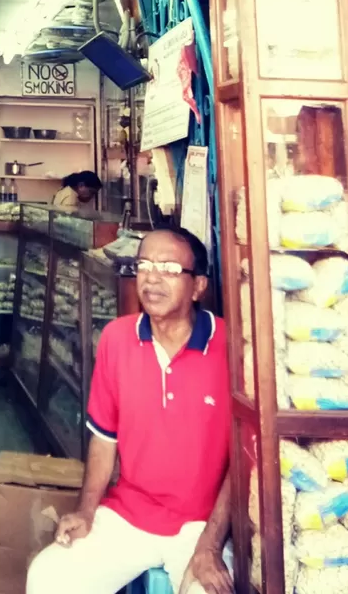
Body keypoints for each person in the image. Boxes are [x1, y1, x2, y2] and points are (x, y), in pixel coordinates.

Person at [26, 226, 232, 594]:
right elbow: (103, 440)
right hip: (128, 515)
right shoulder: (117, 338)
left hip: (200, 526)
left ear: (198, 286)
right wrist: (86, 511)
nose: (153, 278)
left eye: (169, 269)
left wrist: (211, 545)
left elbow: (243, 464)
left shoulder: (231, 347)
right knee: (47, 576)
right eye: (144, 265)